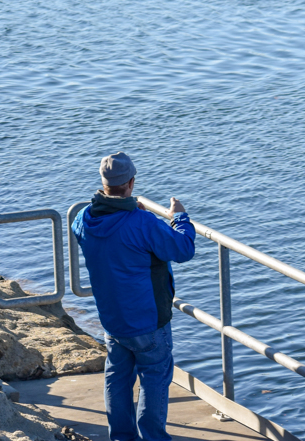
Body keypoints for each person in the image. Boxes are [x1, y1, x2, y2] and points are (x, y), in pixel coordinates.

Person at [71, 152, 196, 441]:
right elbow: (183, 249)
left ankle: (122, 437)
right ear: (131, 182)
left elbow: (111, 236)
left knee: (117, 377)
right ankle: (153, 437)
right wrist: (180, 216)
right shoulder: (142, 223)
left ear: (104, 183)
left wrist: (128, 209)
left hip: (112, 319)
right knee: (154, 378)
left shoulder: (83, 218)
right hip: (148, 320)